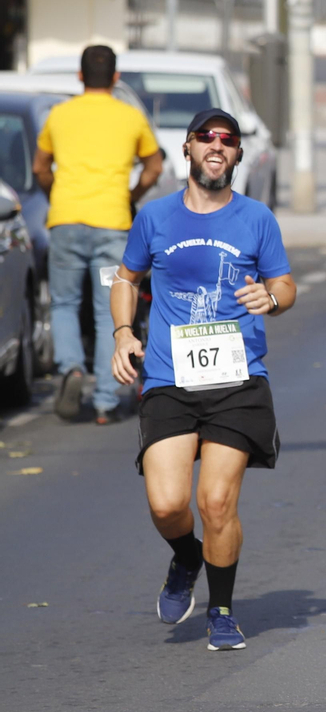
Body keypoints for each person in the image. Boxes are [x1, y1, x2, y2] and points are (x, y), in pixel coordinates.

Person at [110, 108, 296, 651]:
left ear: (238, 155)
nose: (217, 146)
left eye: (228, 140)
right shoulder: (155, 217)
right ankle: (187, 556)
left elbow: (284, 283)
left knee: (217, 501)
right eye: (206, 137)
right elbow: (127, 277)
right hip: (170, 377)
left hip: (237, 378)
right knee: (168, 504)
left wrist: (273, 298)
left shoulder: (256, 218)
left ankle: (221, 611)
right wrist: (124, 332)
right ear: (188, 148)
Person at [32, 45, 164, 425]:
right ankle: (107, 400)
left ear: (79, 76)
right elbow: (154, 168)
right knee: (113, 311)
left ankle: (71, 369)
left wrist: (55, 195)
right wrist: (130, 196)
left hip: (66, 223)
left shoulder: (59, 115)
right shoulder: (130, 117)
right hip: (113, 225)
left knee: (64, 304)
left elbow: (41, 167)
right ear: (116, 78)